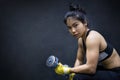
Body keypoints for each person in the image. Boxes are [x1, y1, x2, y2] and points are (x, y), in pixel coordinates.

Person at [54, 4, 120, 80]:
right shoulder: (81, 40)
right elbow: (79, 60)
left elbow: (91, 69)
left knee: (78, 77)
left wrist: (68, 70)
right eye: (69, 28)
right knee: (74, 76)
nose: (73, 30)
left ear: (85, 22)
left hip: (116, 73)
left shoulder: (92, 37)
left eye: (75, 25)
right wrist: (72, 73)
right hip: (105, 70)